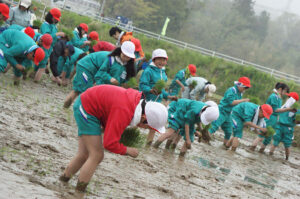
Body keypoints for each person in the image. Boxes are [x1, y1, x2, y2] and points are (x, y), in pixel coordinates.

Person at [59, 85, 168, 192]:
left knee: (84, 154)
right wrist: (127, 150)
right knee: (96, 155)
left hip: (89, 105)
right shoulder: (124, 112)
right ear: (144, 118)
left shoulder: (135, 102)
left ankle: (63, 181)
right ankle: (79, 192)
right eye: (147, 127)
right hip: (86, 108)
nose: (144, 129)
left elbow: (110, 110)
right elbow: (109, 143)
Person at [63, 41, 136, 108]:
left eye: (128, 57)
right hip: (86, 66)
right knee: (82, 90)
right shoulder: (111, 59)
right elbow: (100, 74)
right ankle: (71, 108)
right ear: (120, 51)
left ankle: (75, 109)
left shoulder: (127, 66)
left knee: (87, 91)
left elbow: (120, 80)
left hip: (94, 70)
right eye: (124, 55)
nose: (125, 58)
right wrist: (110, 78)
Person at [153, 99, 219, 156]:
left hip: (185, 116)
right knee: (171, 131)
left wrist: (202, 130)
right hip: (177, 109)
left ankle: (178, 156)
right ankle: (154, 148)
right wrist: (187, 139)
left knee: (190, 138)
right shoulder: (195, 110)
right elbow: (186, 124)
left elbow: (197, 120)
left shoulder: (204, 110)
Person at [139, 48, 177, 145]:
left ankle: (148, 143)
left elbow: (162, 90)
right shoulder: (148, 71)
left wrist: (169, 97)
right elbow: (143, 85)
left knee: (154, 125)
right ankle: (127, 135)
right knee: (138, 121)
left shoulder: (163, 74)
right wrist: (150, 90)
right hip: (145, 101)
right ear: (153, 59)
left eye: (164, 60)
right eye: (159, 59)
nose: (161, 62)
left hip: (156, 103)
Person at [251, 82, 295, 152]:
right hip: (269, 117)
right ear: (280, 89)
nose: (285, 93)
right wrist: (288, 109)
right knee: (261, 136)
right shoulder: (274, 97)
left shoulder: (278, 98)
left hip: (274, 119)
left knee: (268, 137)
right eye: (285, 91)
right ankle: (252, 149)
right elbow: (276, 109)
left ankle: (261, 151)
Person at [208, 77, 251, 146]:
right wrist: (243, 100)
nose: (245, 90)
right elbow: (231, 102)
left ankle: (225, 145)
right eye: (244, 87)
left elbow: (237, 104)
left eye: (246, 88)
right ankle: (204, 139)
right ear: (240, 85)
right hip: (221, 111)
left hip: (229, 114)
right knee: (214, 127)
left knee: (228, 132)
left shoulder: (240, 93)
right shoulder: (232, 90)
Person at [269, 92, 299, 160]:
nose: (287, 98)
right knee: (281, 143)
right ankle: (285, 158)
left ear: (291, 99)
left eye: (288, 97)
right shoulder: (286, 106)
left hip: (286, 128)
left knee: (284, 144)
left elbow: (297, 121)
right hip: (282, 127)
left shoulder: (295, 110)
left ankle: (285, 158)